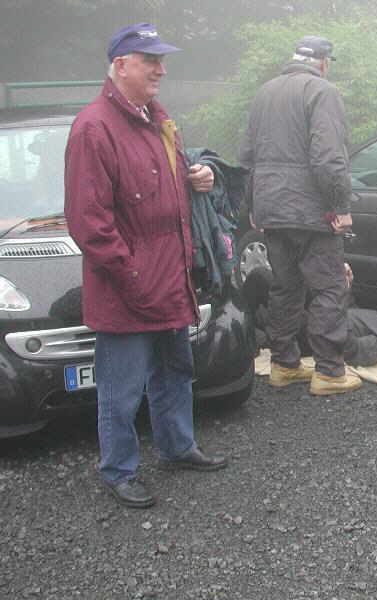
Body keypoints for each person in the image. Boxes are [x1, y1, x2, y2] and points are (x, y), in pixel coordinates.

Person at [64, 23, 227, 509]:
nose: (161, 70)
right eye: (150, 60)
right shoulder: (93, 128)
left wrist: (199, 177)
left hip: (171, 280)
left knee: (176, 372)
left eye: (162, 61)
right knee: (121, 390)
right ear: (120, 66)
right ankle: (118, 471)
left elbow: (167, 193)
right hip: (128, 289)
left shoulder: (158, 119)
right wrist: (133, 277)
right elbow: (89, 223)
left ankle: (177, 447)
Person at [239, 35, 361, 396]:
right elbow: (328, 156)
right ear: (323, 62)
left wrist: (253, 205)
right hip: (311, 210)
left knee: (285, 287)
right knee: (329, 288)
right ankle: (329, 372)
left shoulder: (264, 93)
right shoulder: (322, 91)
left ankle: (284, 365)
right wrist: (340, 206)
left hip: (272, 208)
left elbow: (247, 156)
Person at [241, 265, 377, 367]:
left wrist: (335, 303)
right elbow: (352, 312)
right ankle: (248, 331)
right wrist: (346, 286)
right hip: (323, 315)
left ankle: (245, 336)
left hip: (317, 333)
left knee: (263, 278)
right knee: (266, 277)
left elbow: (352, 351)